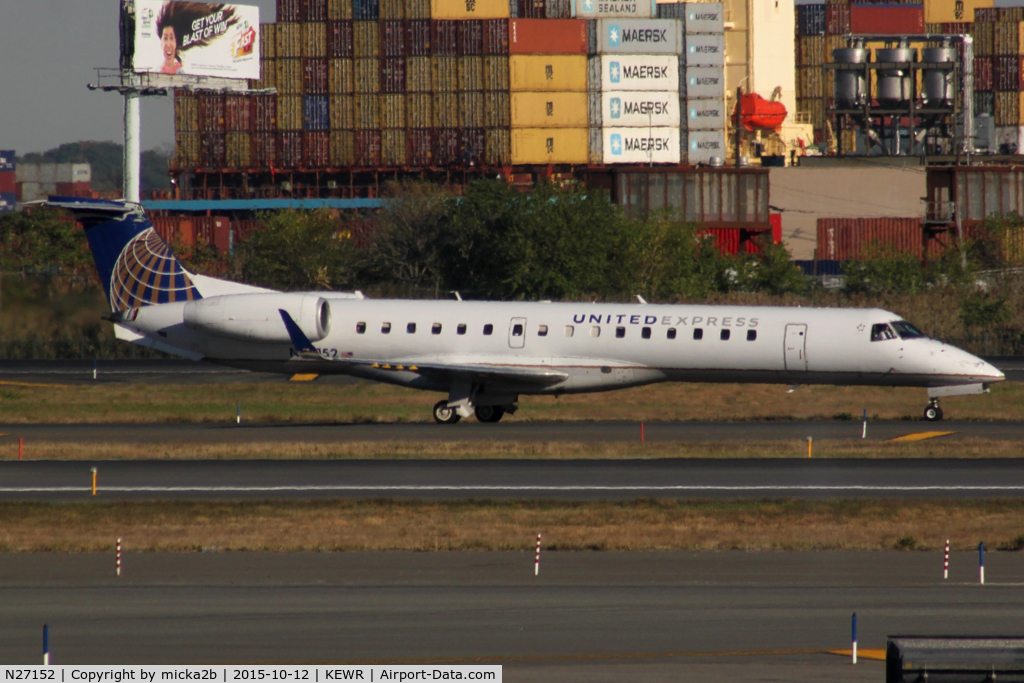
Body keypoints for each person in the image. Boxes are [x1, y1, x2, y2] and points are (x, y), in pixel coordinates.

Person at [155, 2, 239, 75]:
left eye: (171, 38)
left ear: (176, 41)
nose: (168, 44)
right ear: (161, 41)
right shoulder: (156, 72)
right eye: (165, 38)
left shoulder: (182, 71)